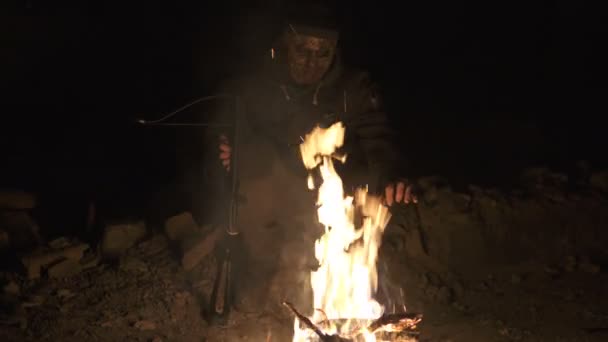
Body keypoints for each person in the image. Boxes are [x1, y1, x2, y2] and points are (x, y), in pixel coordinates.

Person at [206, 1, 417, 316]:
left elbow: (379, 137)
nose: (312, 62)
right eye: (303, 50)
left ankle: (348, 286)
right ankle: (265, 275)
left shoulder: (354, 87)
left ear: (335, 52)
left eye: (323, 53)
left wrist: (391, 174)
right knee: (253, 182)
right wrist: (228, 149)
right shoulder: (257, 87)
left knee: (375, 198)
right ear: (285, 46)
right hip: (281, 187)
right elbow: (226, 129)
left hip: (336, 196)